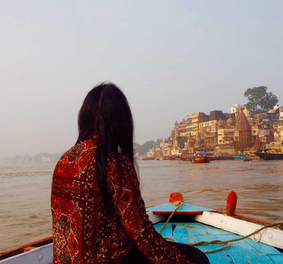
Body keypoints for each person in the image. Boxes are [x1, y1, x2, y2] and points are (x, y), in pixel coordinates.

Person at [51, 83, 209, 264]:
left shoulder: (64, 160)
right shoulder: (114, 163)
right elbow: (140, 232)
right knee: (196, 257)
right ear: (121, 122)